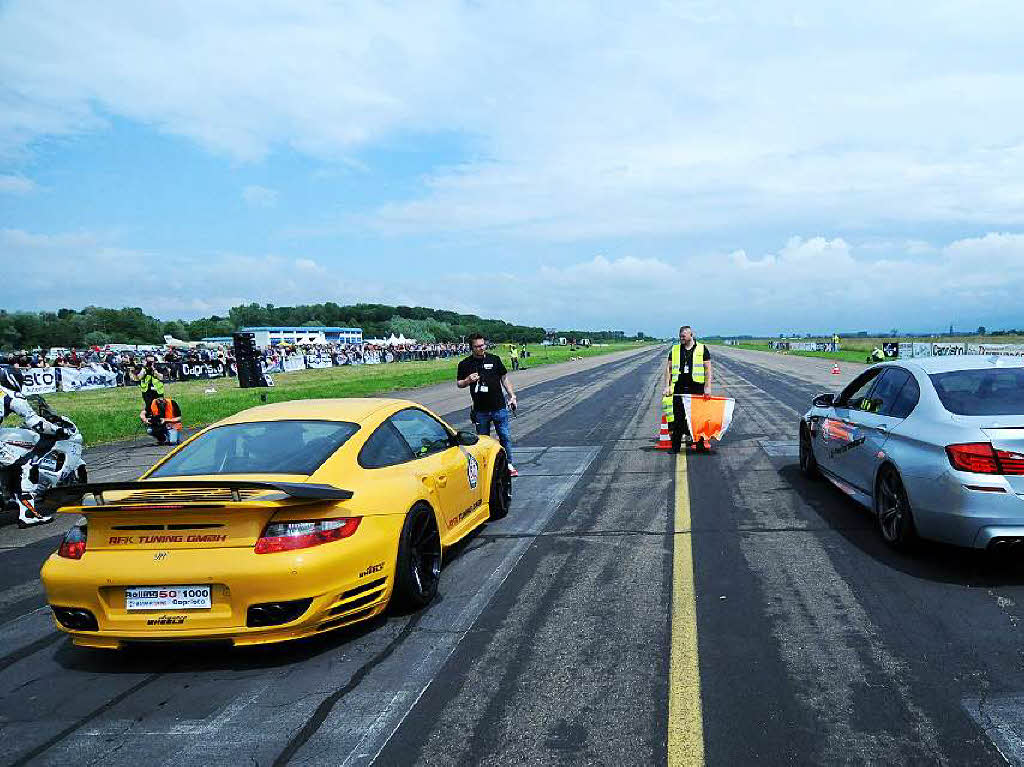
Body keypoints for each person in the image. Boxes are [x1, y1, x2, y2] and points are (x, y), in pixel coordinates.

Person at [0, 366, 68, 527]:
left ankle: (9, 497)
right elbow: (35, 422)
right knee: (26, 465)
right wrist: (57, 430)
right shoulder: (10, 395)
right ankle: (29, 514)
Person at [457, 334, 519, 477]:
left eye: (483, 345)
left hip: (498, 406)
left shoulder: (494, 360)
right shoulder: (465, 364)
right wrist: (467, 380)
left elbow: (504, 378)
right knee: (482, 440)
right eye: (478, 346)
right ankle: (485, 467)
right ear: (471, 347)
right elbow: (459, 383)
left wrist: (512, 396)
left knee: (505, 436)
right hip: (480, 410)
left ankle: (508, 464)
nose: (481, 348)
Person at [663, 325, 713, 453]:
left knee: (698, 418)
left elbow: (708, 369)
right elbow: (668, 369)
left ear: (691, 335)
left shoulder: (702, 349)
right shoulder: (674, 349)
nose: (681, 339)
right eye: (680, 337)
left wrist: (707, 387)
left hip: (696, 387)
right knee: (678, 418)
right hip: (679, 387)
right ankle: (675, 447)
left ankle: (700, 445)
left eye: (683, 336)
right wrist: (667, 386)